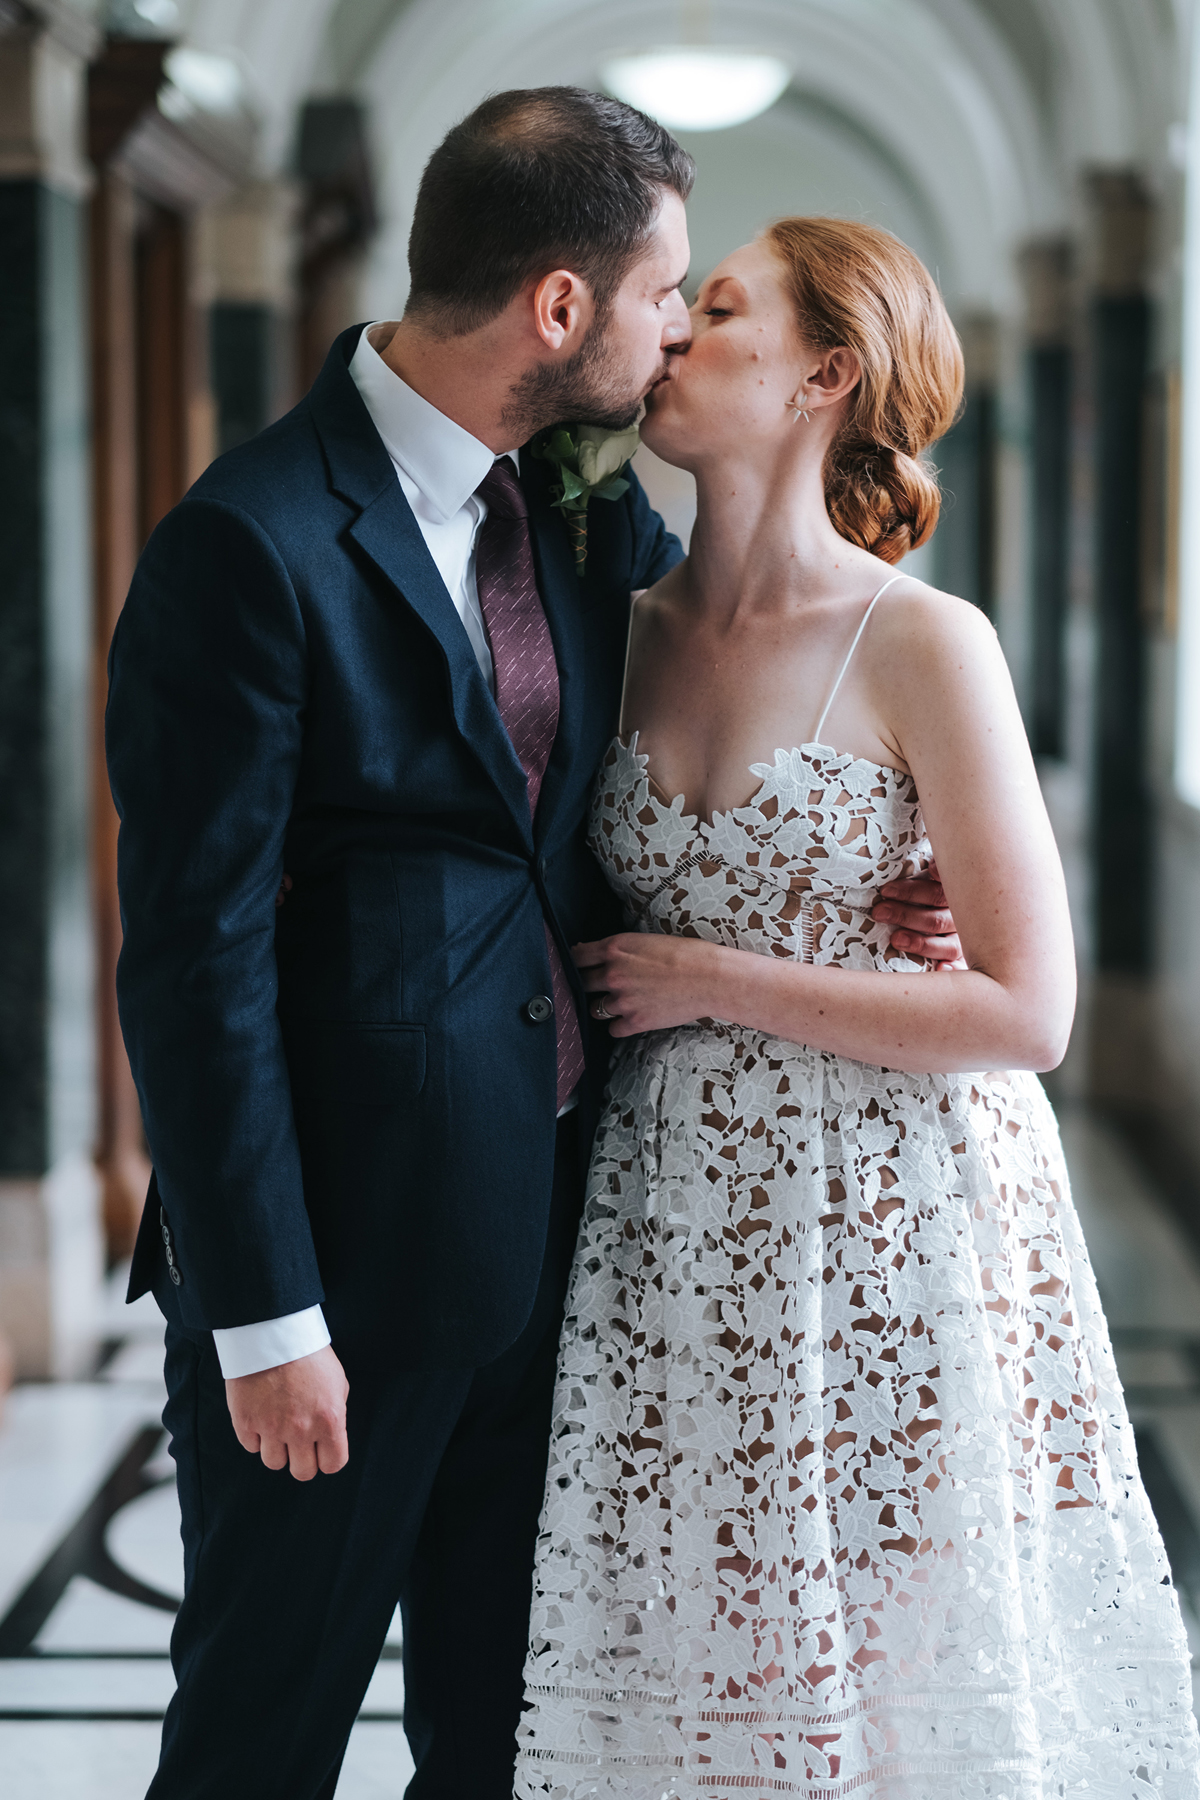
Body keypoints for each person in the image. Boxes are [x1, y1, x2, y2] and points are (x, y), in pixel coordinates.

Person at [105, 97, 957, 1800]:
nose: (670, 342)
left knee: (505, 1748)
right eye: (663, 301)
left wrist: (901, 850)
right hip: (337, 1282)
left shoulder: (576, 528)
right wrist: (267, 1321)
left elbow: (735, 693)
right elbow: (194, 965)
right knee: (259, 1735)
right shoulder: (249, 543)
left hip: (566, 1260)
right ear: (559, 312)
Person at [514, 218, 1200, 1798]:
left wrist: (709, 976)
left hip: (902, 1214)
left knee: (891, 1667)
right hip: (674, 1211)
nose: (675, 334)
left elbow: (1032, 1012)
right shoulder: (612, 626)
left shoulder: (928, 643)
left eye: (725, 307)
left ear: (826, 372)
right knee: (711, 1652)